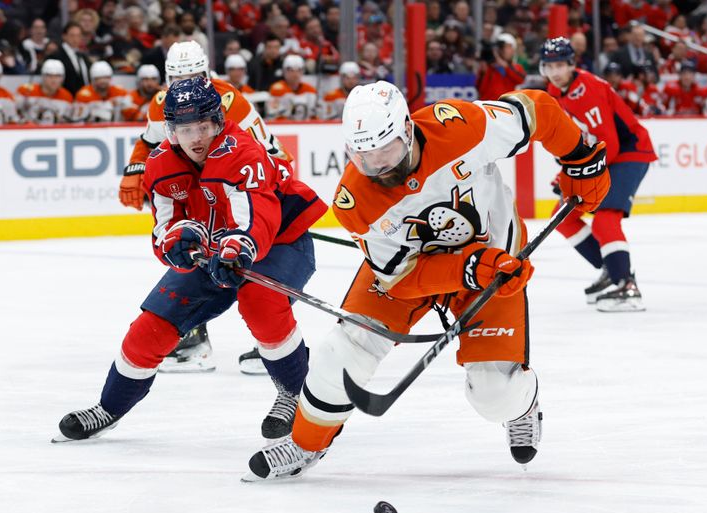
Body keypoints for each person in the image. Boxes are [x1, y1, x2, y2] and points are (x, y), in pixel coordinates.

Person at [242, 80, 611, 481]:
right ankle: (305, 443)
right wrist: (467, 266)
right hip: (414, 269)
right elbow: (399, 279)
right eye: (364, 157)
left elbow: (536, 110)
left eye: (387, 151)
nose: (378, 166)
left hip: (495, 262)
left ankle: (522, 407)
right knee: (341, 354)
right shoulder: (355, 199)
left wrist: (581, 158)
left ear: (407, 130)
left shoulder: (460, 127)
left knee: (495, 395)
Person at [53, 77, 328, 444]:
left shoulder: (242, 150)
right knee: (151, 326)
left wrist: (237, 247)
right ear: (170, 130)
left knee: (261, 302)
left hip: (279, 242)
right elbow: (163, 229)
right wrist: (176, 244)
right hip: (216, 249)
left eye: (203, 126)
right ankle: (110, 406)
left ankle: (294, 395)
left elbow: (258, 218)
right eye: (184, 129)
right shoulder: (160, 163)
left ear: (218, 121)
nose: (196, 137)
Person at [119, 40, 292, 374]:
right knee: (188, 247)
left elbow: (259, 155)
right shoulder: (163, 103)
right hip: (207, 186)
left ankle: (272, 339)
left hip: (254, 178)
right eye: (177, 79)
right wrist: (135, 169)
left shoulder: (230, 101)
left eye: (194, 76)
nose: (184, 87)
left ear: (207, 73)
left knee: (251, 251)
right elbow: (150, 141)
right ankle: (195, 337)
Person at [541, 37, 657, 312]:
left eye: (560, 65)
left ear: (571, 64)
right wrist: (565, 173)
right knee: (563, 218)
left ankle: (626, 286)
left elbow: (610, 144)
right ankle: (611, 269)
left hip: (629, 153)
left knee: (605, 220)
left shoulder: (587, 89)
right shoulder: (554, 92)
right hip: (604, 156)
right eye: (549, 66)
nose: (555, 72)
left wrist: (575, 173)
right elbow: (581, 141)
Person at [15, 59, 73, 124]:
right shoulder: (26, 91)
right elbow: (15, 115)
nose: (54, 80)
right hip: (30, 131)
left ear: (63, 78)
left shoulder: (67, 96)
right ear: (43, 76)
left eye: (58, 76)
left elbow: (67, 122)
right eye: (50, 76)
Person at [266, 54, 318, 121]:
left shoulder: (310, 90)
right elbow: (273, 116)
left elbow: (315, 116)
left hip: (306, 128)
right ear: (284, 71)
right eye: (291, 70)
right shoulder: (277, 89)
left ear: (303, 71)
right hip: (285, 128)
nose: (295, 74)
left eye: (299, 70)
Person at [476, 33, 526, 101]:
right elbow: (480, 89)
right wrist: (483, 71)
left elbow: (520, 79)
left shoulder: (516, 67)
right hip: (488, 106)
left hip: (507, 107)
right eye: (504, 47)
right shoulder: (489, 68)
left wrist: (504, 65)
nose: (507, 50)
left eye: (509, 47)